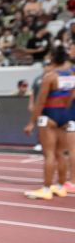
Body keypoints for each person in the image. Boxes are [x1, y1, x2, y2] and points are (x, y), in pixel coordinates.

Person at [23, 44, 75, 199]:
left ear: (52, 58)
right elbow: (72, 96)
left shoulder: (50, 77)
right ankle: (60, 186)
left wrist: (31, 122)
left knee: (49, 154)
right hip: (66, 115)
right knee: (61, 153)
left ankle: (46, 189)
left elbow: (40, 102)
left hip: (49, 115)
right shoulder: (73, 73)